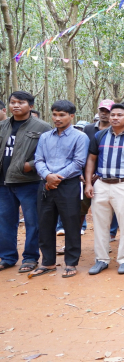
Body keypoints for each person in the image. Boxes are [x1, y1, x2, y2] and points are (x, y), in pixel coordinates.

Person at [84, 103, 124, 275]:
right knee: (100, 224)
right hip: (101, 184)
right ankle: (101, 259)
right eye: (113, 115)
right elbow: (91, 159)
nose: (115, 118)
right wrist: (88, 183)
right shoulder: (100, 136)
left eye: (119, 115)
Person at [30, 100, 88, 278]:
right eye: (54, 114)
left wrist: (56, 178)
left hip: (68, 185)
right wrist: (48, 176)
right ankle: (48, 262)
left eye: (62, 115)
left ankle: (71, 263)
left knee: (71, 224)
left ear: (71, 116)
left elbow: (78, 162)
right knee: (45, 224)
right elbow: (38, 160)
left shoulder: (80, 137)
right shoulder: (45, 137)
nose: (57, 118)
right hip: (46, 185)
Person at [0, 91, 51, 273]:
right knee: (5, 221)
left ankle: (30, 257)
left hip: (28, 182)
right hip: (3, 182)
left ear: (30, 106)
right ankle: (7, 257)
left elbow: (50, 153)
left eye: (20, 102)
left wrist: (31, 165)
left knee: (32, 221)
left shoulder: (42, 127)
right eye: (13, 102)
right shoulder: (2, 126)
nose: (16, 105)